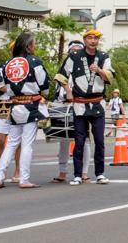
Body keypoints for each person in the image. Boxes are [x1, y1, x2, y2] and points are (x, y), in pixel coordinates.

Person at [56, 28, 114, 185]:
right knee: (79, 140)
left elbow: (110, 77)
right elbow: (61, 76)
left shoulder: (103, 56)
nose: (93, 41)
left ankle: (100, 173)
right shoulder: (74, 56)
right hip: (80, 103)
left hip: (98, 103)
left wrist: (99, 70)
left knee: (99, 140)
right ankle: (77, 174)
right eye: (90, 38)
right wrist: (68, 91)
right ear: (85, 40)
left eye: (95, 38)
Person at [0, 32, 49, 189]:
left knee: (11, 143)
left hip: (14, 104)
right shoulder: (34, 61)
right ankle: (24, 179)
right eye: (34, 43)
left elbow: (4, 84)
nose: (35, 46)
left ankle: (0, 177)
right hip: (30, 105)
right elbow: (44, 86)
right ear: (28, 46)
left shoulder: (8, 64)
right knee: (27, 144)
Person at [50, 41, 91, 184]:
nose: (75, 54)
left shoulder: (87, 72)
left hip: (81, 107)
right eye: (72, 51)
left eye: (78, 51)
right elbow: (58, 92)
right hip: (64, 107)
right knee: (63, 141)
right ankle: (62, 173)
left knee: (84, 141)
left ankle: (84, 173)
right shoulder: (63, 71)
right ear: (68, 54)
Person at [0, 43, 22, 183]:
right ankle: (1, 170)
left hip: (20, 103)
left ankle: (18, 170)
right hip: (3, 104)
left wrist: (11, 88)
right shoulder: (2, 67)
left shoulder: (26, 67)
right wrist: (15, 88)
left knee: (19, 141)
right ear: (10, 51)